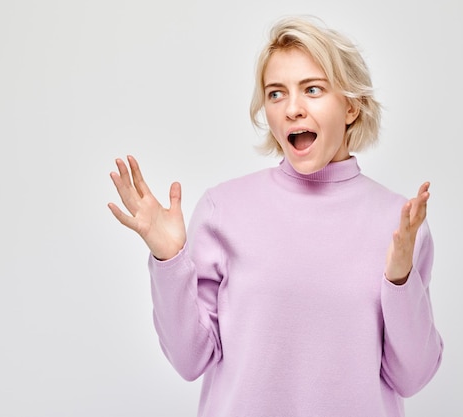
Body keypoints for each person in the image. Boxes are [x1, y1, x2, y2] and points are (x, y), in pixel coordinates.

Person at [108, 15, 443, 417]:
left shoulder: (398, 224)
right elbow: (188, 360)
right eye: (276, 93)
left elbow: (413, 377)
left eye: (312, 89)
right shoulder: (224, 209)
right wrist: (168, 260)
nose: (292, 109)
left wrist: (401, 280)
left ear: (351, 106)